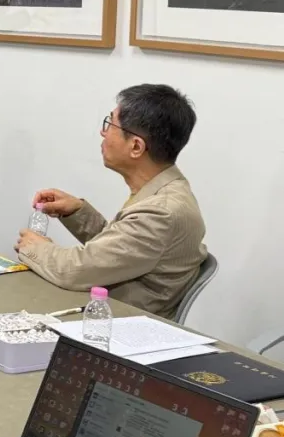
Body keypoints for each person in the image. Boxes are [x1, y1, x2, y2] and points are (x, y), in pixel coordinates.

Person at [14, 84, 207, 319]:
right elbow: (121, 252)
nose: (103, 133)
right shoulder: (167, 190)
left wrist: (34, 247)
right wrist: (77, 212)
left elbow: (74, 270)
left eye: (110, 124)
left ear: (136, 146)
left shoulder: (161, 213)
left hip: (119, 325)